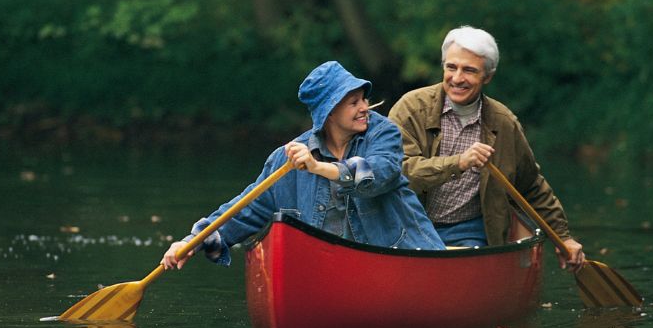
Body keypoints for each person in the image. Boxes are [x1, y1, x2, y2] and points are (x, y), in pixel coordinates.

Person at [162, 61, 444, 270]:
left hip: (403, 262)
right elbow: (245, 209)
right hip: (329, 272)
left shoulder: (383, 134)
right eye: (353, 102)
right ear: (329, 112)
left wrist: (317, 167)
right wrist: (194, 240)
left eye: (364, 99)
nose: (365, 108)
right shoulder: (286, 160)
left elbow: (376, 174)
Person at [388, 26, 585, 269]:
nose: (457, 78)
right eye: (451, 67)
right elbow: (397, 172)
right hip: (407, 225)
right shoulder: (410, 108)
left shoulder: (504, 123)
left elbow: (530, 185)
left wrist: (563, 236)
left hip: (467, 231)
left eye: (469, 70)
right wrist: (458, 163)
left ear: (487, 76)